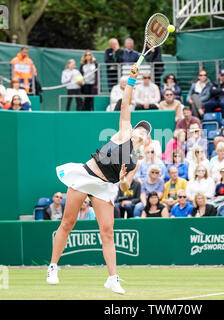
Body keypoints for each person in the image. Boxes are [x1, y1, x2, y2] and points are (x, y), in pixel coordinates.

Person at [48, 64, 148, 294]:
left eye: (145, 132)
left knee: (107, 231)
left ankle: (112, 278)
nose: (141, 132)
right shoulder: (124, 131)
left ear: (147, 141)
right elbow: (126, 103)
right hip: (87, 176)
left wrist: (123, 178)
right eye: (140, 129)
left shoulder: (135, 161)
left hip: (105, 187)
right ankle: (53, 266)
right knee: (68, 223)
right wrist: (131, 80)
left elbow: (124, 185)